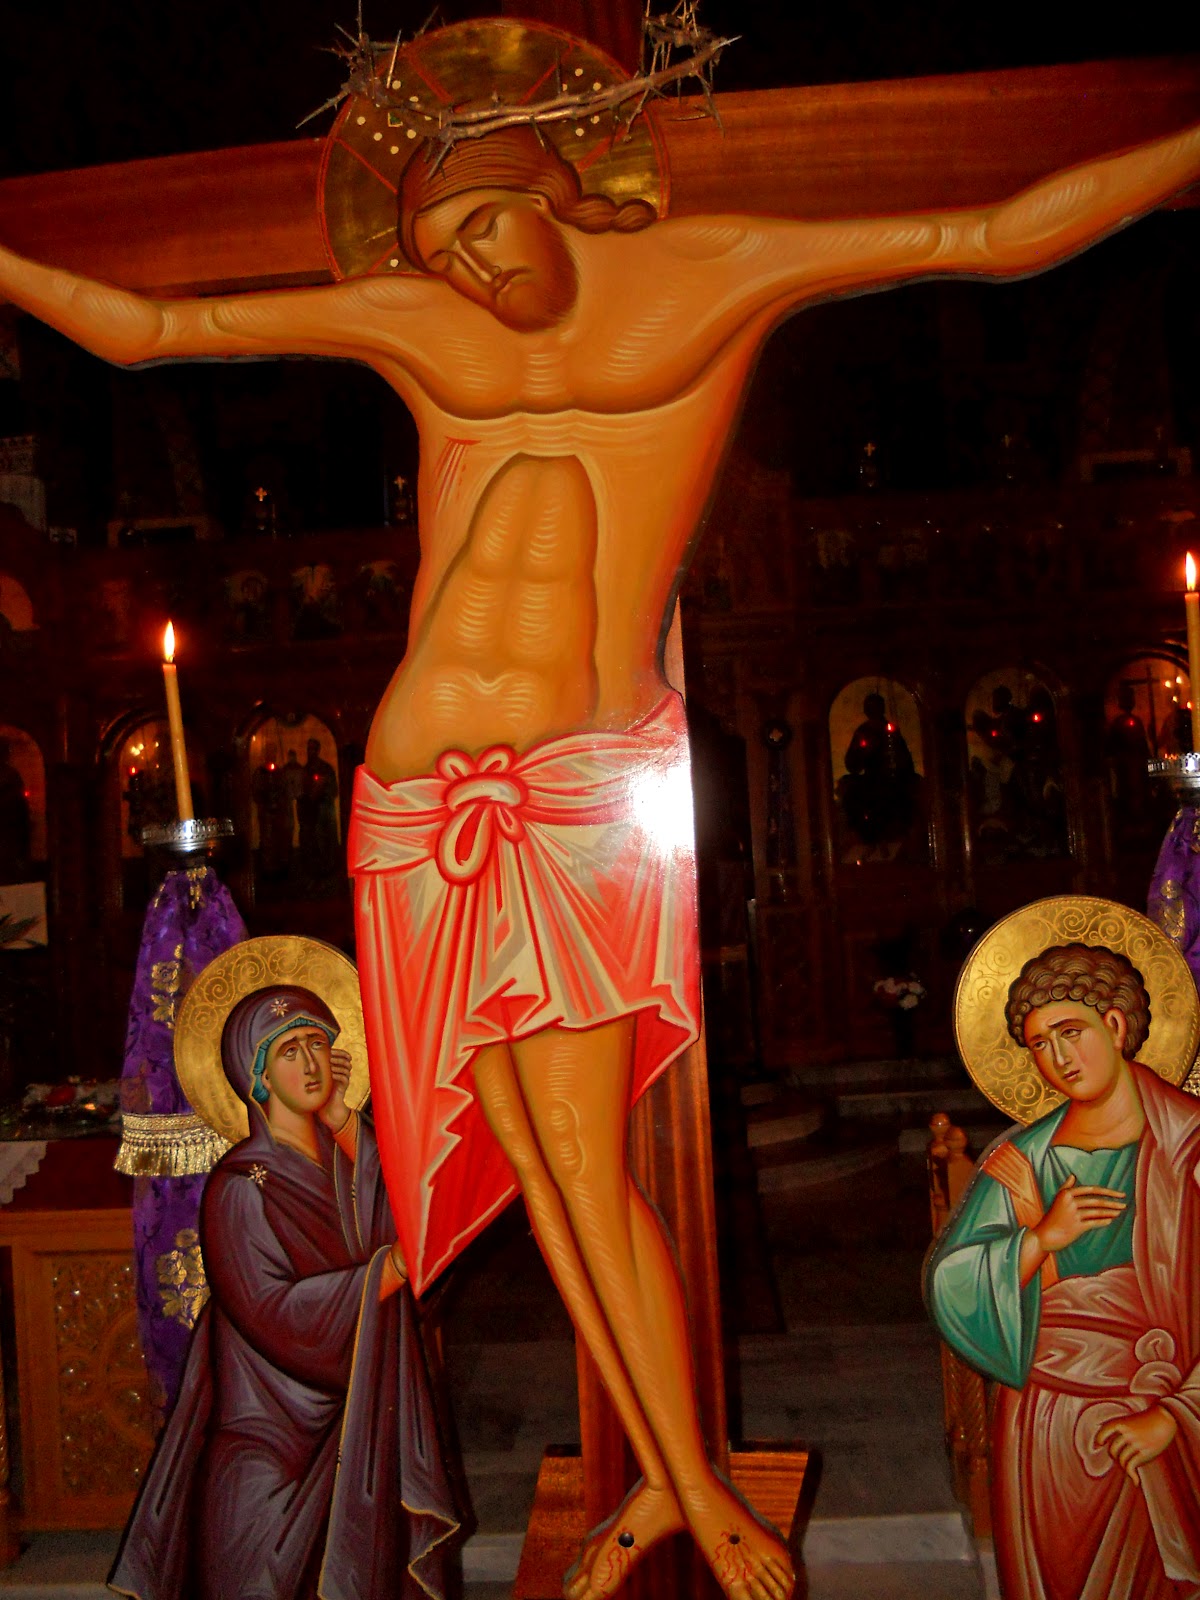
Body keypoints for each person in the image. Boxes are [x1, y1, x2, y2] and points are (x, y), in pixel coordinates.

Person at [4, 39, 1200, 1591]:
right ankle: (658, 1476)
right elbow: (159, 325)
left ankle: (688, 1486)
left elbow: (992, 231)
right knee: (522, 1137)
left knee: (585, 1153)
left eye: (480, 228)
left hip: (571, 783)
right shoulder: (417, 315)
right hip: (418, 801)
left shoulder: (716, 268)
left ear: (552, 184)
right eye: (434, 248)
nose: (464, 268)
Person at [108, 983, 461, 1600]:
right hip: (269, 1433)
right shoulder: (239, 1187)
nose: (310, 1063)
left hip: (359, 1417)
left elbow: (409, 1225)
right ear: (259, 1078)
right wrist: (384, 1274)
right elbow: (270, 1312)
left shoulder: (350, 1158)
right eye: (289, 1051)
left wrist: (345, 1123)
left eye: (317, 1044)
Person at [926, 942, 1200, 1600]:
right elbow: (952, 1282)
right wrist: (1039, 1239)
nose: (1058, 1058)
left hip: (1165, 1417)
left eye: (1070, 1032)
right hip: (1044, 1425)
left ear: (1115, 1024)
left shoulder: (1189, 1149)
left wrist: (1176, 1415)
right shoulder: (1024, 1159)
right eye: (1040, 1045)